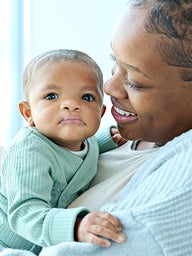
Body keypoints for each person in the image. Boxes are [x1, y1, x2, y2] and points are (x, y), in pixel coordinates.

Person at [38, 0, 192, 255]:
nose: (109, 86)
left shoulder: (172, 201)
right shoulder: (130, 135)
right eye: (115, 61)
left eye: (133, 81)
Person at [0, 49, 126, 255]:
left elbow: (88, 147)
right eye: (51, 96)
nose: (72, 105)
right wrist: (74, 227)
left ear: (100, 112)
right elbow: (24, 213)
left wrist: (109, 139)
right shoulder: (29, 151)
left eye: (86, 97)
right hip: (8, 238)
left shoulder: (84, 140)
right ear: (28, 112)